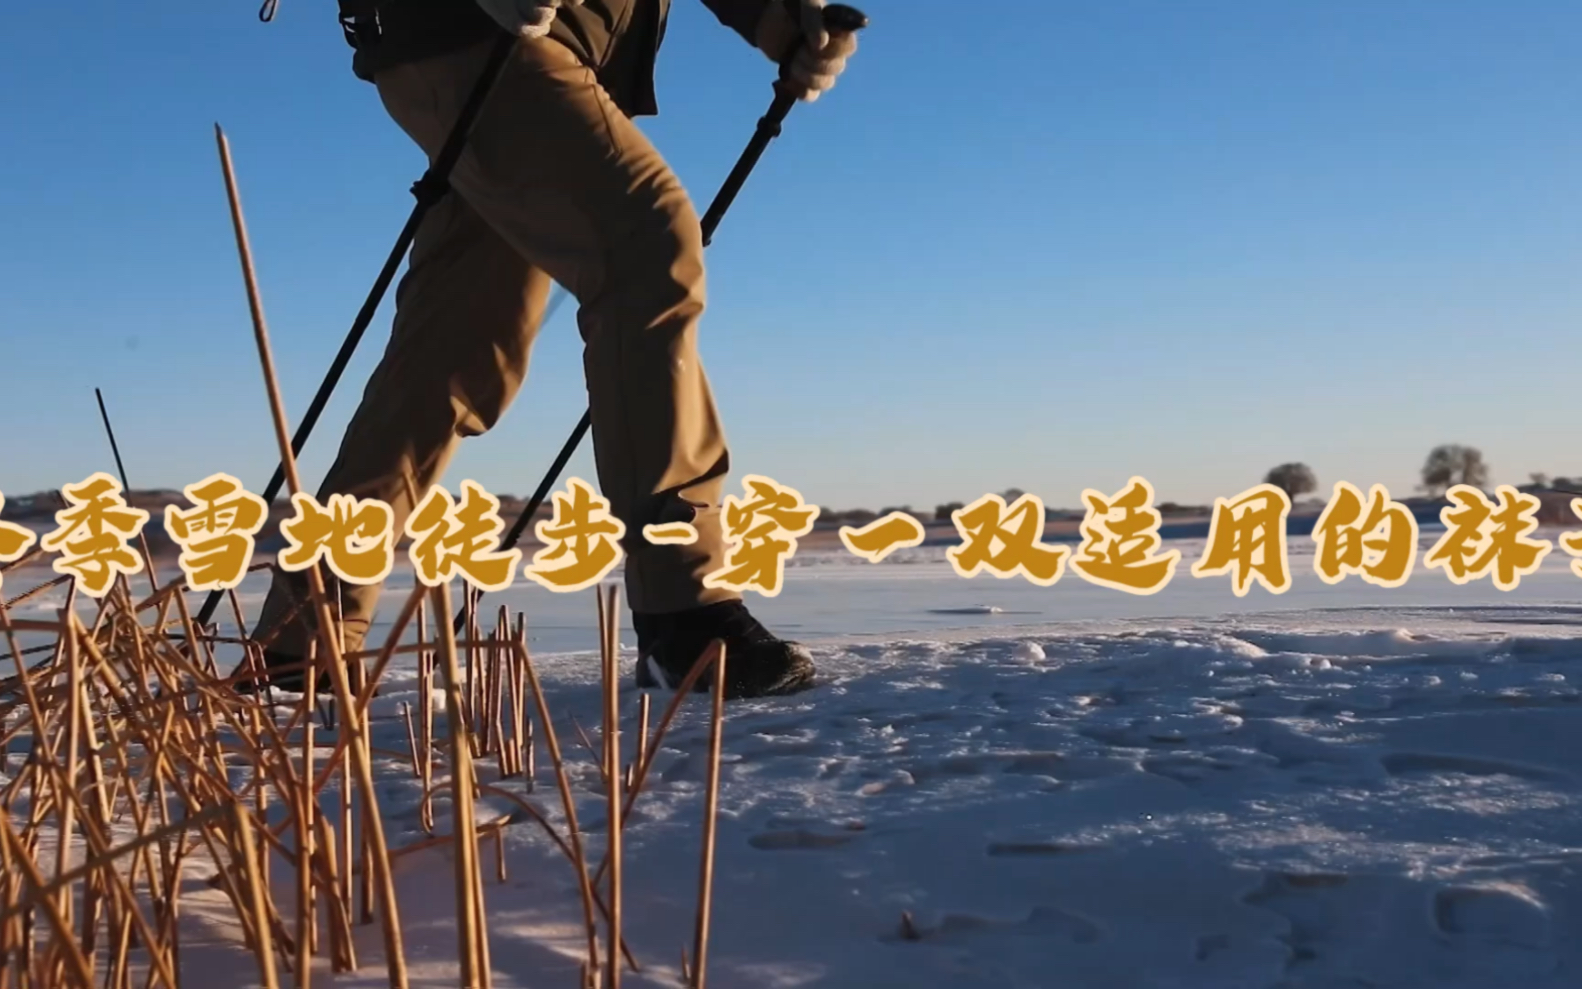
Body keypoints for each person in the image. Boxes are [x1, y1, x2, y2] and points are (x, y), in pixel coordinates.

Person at [243, 0, 859, 700]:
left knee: (454, 351)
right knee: (645, 242)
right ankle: (684, 615)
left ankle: (299, 644)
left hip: (531, 46)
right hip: (477, 34)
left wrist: (781, 22)